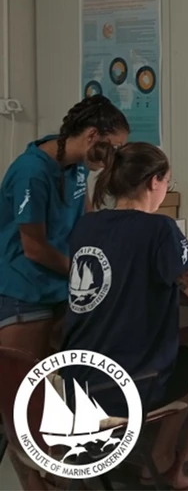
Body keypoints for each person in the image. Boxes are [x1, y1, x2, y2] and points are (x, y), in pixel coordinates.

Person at [60, 142, 188, 490]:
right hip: (125, 385)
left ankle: (159, 461)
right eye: (168, 183)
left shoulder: (87, 225)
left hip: (79, 378)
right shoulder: (160, 230)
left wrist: (180, 256)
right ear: (154, 181)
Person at [0, 95, 129, 359]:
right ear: (92, 135)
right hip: (25, 286)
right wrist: (84, 273)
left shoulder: (76, 164)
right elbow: (34, 248)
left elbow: (88, 219)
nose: (113, 158)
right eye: (113, 148)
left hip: (60, 284)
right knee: (24, 387)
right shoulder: (32, 172)